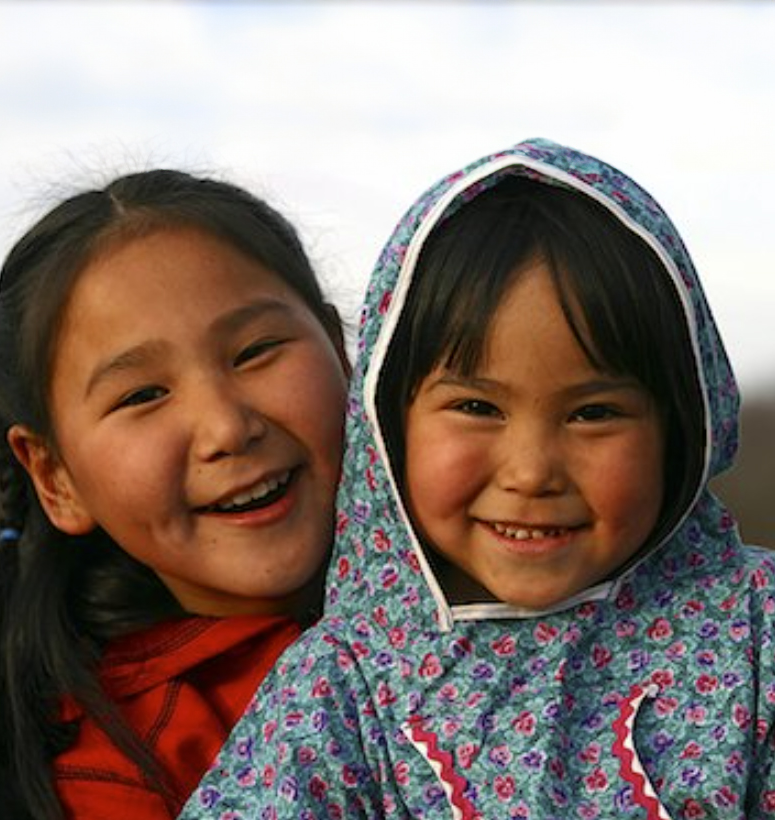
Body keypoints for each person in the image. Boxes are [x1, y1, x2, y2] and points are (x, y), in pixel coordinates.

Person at [181, 138, 775, 819]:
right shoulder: (341, 691)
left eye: (593, 412)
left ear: (682, 426)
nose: (530, 471)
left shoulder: (752, 629)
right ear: (388, 424)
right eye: (476, 407)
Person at [0, 168, 350, 820]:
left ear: (339, 350)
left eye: (256, 351)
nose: (225, 428)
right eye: (143, 395)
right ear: (56, 479)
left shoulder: (516, 600)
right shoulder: (110, 766)